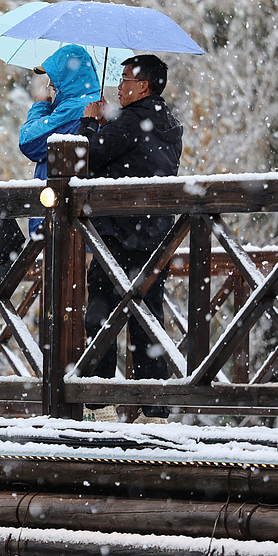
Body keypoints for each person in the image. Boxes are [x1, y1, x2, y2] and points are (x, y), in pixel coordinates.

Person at [78, 54, 183, 422]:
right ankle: (154, 406)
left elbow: (83, 160)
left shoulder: (130, 121)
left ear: (143, 86)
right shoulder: (170, 124)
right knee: (148, 316)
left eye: (124, 79)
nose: (119, 86)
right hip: (157, 235)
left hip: (119, 232)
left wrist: (89, 123)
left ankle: (99, 401)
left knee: (101, 314)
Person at [19, 45, 100, 237]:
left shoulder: (73, 108)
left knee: (61, 265)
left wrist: (41, 105)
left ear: (68, 78)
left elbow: (29, 142)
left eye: (54, 78)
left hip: (60, 221)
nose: (51, 84)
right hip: (75, 219)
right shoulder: (87, 103)